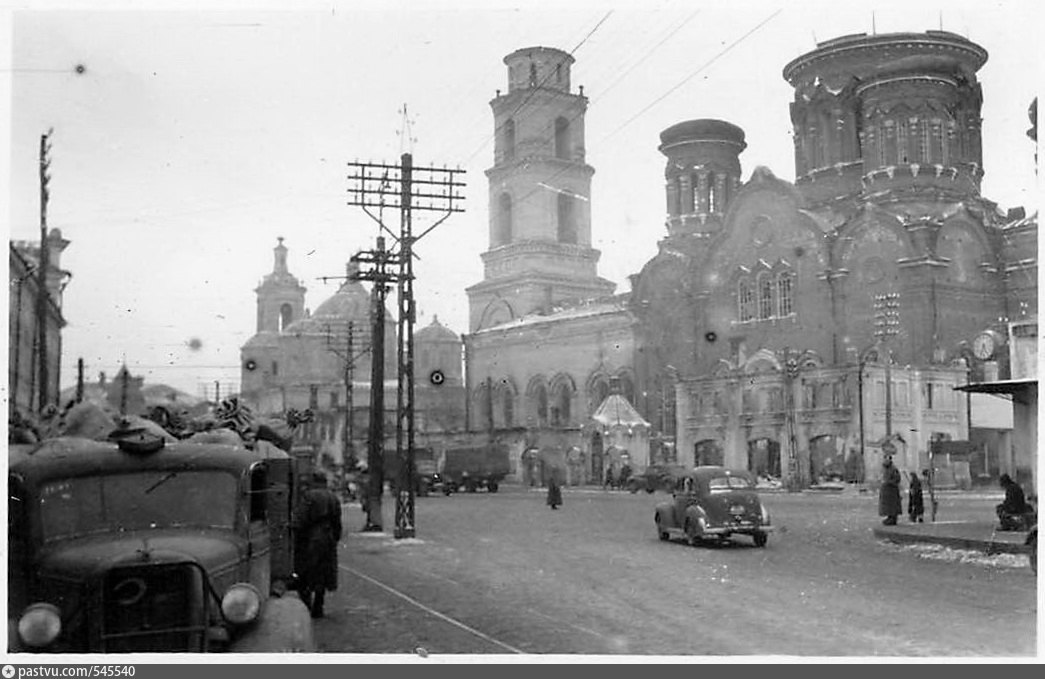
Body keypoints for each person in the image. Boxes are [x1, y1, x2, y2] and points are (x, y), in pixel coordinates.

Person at [293, 471, 343, 618]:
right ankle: (318, 605)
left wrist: (296, 532)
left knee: (306, 570)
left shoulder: (308, 496)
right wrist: (335, 538)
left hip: (310, 538)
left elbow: (301, 518)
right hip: (327, 538)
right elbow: (337, 522)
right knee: (323, 572)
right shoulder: (333, 498)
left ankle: (306, 604)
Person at [878, 455, 902, 526]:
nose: (885, 461)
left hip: (892, 491)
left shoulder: (893, 469)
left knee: (892, 506)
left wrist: (888, 482)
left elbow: (897, 479)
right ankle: (889, 517)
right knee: (887, 506)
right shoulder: (884, 468)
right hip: (886, 491)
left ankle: (893, 518)